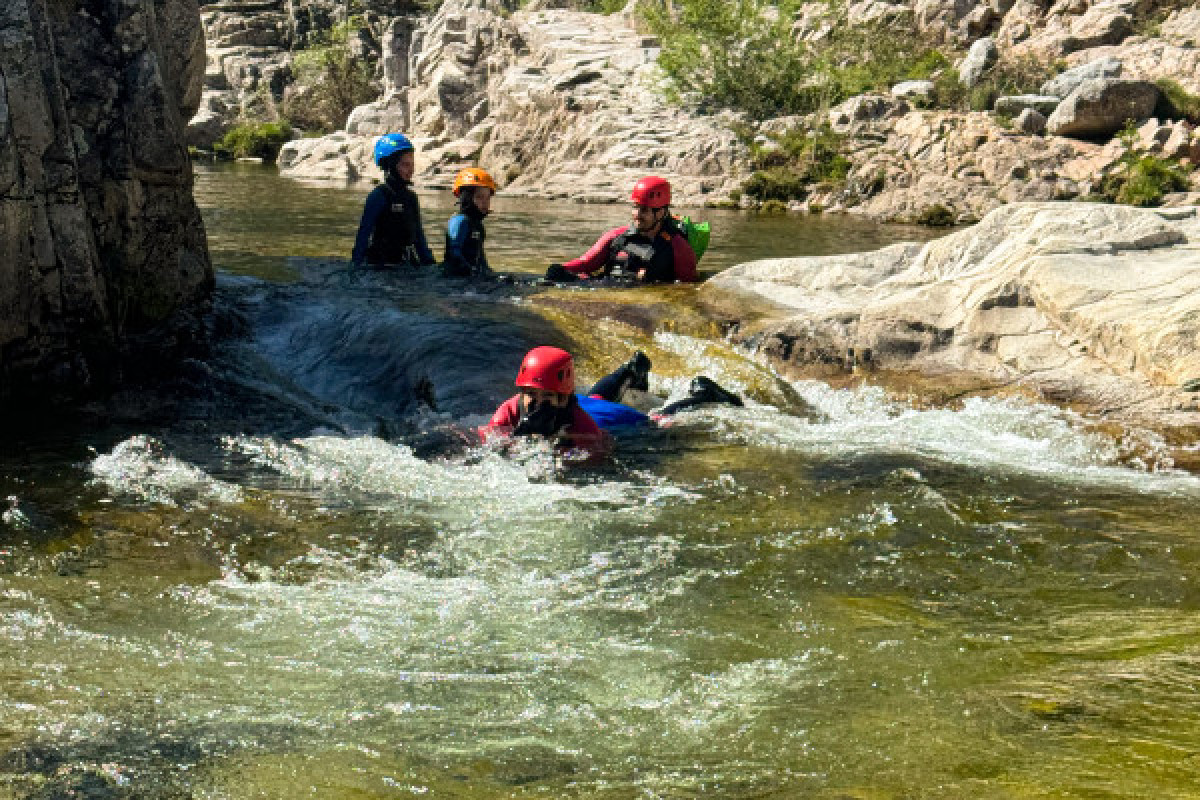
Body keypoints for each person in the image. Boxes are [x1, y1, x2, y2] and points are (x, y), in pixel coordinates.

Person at [480, 346, 743, 459]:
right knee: (595, 396)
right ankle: (629, 370)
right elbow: (488, 437)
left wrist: (565, 452)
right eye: (532, 395)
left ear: (562, 397)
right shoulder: (513, 406)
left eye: (546, 397)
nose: (537, 403)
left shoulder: (580, 425)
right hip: (588, 401)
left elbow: (596, 456)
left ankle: (701, 393)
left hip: (607, 419)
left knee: (657, 421)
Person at [545, 175, 699, 284]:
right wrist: (562, 268)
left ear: (661, 213)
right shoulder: (616, 236)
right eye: (635, 208)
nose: (637, 215)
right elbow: (586, 263)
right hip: (605, 288)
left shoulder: (678, 247)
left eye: (644, 210)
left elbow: (688, 287)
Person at [351, 133, 436, 269]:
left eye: (412, 164)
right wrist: (355, 266)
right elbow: (363, 235)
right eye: (405, 165)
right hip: (380, 266)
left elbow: (419, 236)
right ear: (389, 165)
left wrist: (430, 264)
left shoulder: (411, 198)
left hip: (406, 266)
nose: (411, 170)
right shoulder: (378, 196)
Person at [443, 167, 496, 278]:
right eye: (479, 197)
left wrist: (491, 275)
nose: (485, 203)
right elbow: (454, 254)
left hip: (470, 278)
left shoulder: (478, 226)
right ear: (466, 198)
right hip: (455, 281)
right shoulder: (459, 221)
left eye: (487, 198)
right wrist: (472, 273)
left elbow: (480, 258)